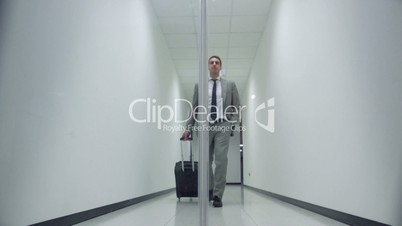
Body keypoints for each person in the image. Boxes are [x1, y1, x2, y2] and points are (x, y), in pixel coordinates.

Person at [182, 56, 241, 208]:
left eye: (217, 62)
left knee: (221, 161)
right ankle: (209, 188)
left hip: (223, 125)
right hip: (205, 125)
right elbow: (194, 108)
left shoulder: (230, 84)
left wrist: (231, 123)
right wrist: (188, 128)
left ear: (220, 66)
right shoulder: (199, 85)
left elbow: (236, 106)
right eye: (211, 62)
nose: (214, 64)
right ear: (208, 66)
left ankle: (217, 195)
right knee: (205, 162)